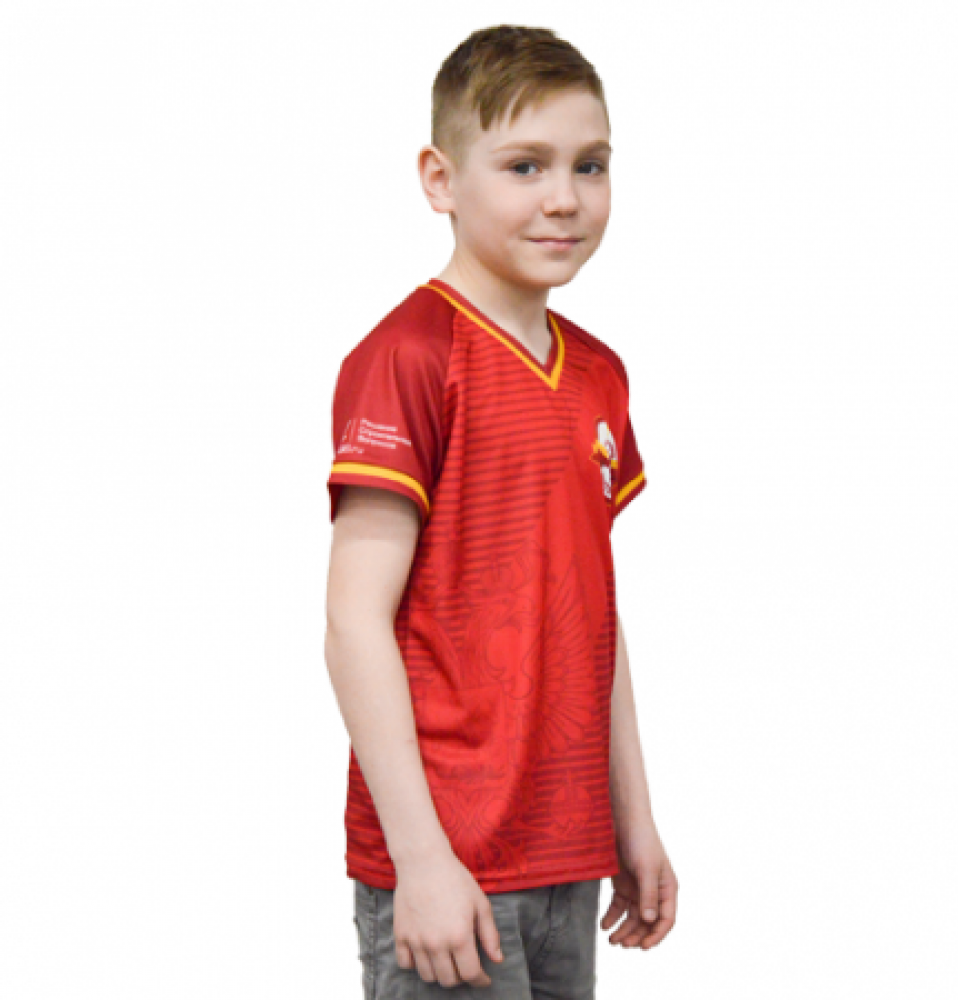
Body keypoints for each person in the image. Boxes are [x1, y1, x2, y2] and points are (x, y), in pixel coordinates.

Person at [324, 24, 678, 998]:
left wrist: (631, 817)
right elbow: (353, 621)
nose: (564, 197)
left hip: (568, 851)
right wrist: (420, 858)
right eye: (525, 166)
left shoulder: (599, 374)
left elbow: (590, 613)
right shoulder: (410, 358)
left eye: (590, 164)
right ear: (440, 180)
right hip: (448, 859)